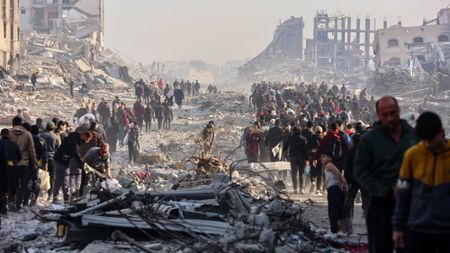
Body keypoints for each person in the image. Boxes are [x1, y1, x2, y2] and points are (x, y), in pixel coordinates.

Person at [354, 96, 418, 253]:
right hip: (381, 205)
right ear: (378, 115)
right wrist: (385, 190)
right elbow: (361, 172)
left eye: (393, 113)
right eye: (385, 114)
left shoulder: (414, 136)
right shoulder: (370, 140)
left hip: (411, 206)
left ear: (399, 111)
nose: (390, 118)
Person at [392, 111, 450, 253]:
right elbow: (403, 195)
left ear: (442, 133)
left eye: (431, 139)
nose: (427, 144)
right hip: (417, 229)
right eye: (424, 140)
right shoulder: (412, 155)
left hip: (446, 231)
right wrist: (398, 227)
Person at [8, 117, 36, 210]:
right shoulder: (28, 134)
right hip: (24, 162)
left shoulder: (8, 132)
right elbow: (31, 150)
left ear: (13, 123)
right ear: (21, 123)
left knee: (11, 182)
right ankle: (18, 204)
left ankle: (11, 200)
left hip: (11, 162)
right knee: (22, 184)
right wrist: (34, 163)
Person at [52, 131, 86, 203]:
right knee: (62, 179)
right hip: (61, 160)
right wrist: (81, 161)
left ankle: (58, 198)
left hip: (62, 160)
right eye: (86, 139)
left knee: (60, 179)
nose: (85, 142)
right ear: (83, 135)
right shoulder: (74, 139)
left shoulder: (74, 138)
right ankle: (64, 199)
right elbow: (75, 152)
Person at [322, 151, 348, 234]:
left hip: (334, 189)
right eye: (322, 156)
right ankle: (338, 229)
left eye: (324, 156)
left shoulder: (329, 165)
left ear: (330, 158)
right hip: (332, 189)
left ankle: (334, 229)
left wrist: (341, 185)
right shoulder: (327, 166)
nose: (322, 158)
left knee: (333, 209)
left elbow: (338, 174)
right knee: (336, 209)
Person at [0, 129, 21, 215]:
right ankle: (11, 200)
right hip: (13, 168)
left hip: (1, 168)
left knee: (2, 187)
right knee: (13, 184)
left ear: (1, 135)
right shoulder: (14, 144)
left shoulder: (1, 144)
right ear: (8, 135)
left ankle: (3, 206)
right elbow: (19, 156)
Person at [283, 127, 308, 194]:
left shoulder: (291, 138)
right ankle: (301, 189)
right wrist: (307, 158)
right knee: (301, 174)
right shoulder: (303, 138)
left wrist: (285, 152)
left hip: (293, 157)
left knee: (294, 174)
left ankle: (295, 189)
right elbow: (306, 149)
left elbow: (285, 146)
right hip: (302, 158)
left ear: (293, 131)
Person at [40, 122, 60, 200]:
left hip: (42, 159)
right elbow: (58, 149)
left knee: (40, 176)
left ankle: (40, 193)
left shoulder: (41, 136)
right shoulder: (56, 137)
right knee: (52, 177)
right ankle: (50, 194)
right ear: (53, 128)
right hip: (52, 159)